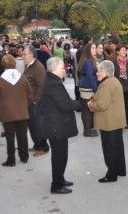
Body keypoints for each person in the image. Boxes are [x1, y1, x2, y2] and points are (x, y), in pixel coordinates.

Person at [40, 57, 81, 194]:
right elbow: (65, 105)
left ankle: (60, 179)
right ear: (56, 68)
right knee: (59, 156)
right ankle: (56, 185)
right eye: (63, 67)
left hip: (56, 125)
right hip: (56, 126)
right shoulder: (53, 84)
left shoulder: (53, 80)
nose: (65, 70)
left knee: (62, 155)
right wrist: (79, 103)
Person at [0, 55, 33, 167]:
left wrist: (1, 103)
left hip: (7, 113)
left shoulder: (0, 80)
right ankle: (24, 157)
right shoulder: (23, 78)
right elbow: (30, 95)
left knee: (10, 138)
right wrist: (24, 105)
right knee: (23, 136)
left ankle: (11, 160)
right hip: (22, 112)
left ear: (3, 65)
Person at [87, 60, 126, 183]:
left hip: (109, 122)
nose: (97, 73)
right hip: (116, 121)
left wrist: (90, 104)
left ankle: (111, 175)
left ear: (105, 72)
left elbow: (102, 105)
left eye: (99, 71)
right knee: (117, 147)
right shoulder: (113, 81)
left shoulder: (107, 84)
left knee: (110, 149)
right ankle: (120, 170)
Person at [22, 46, 49, 156]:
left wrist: (35, 100)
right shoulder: (29, 65)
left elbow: (42, 85)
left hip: (36, 102)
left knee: (38, 125)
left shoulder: (38, 67)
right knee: (32, 125)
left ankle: (43, 147)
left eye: (25, 54)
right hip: (29, 102)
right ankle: (37, 145)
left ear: (31, 55)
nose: (22, 56)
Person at [77, 42, 99, 137]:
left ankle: (89, 129)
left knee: (88, 109)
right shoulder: (88, 61)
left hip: (86, 86)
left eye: (95, 48)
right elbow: (90, 76)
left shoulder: (89, 59)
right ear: (88, 50)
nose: (95, 49)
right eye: (92, 48)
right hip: (87, 87)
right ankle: (87, 131)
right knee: (87, 109)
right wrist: (95, 89)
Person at [112, 45, 128, 129]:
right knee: (116, 104)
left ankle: (126, 122)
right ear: (117, 52)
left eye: (125, 50)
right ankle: (117, 122)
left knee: (125, 103)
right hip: (116, 85)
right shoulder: (113, 62)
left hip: (126, 85)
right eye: (122, 50)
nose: (124, 52)